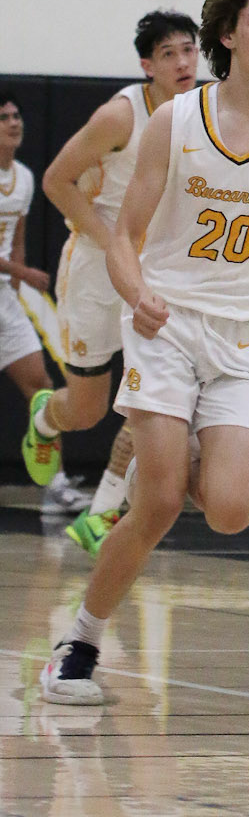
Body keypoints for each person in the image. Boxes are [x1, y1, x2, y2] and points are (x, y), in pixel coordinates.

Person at [40, 0, 249, 705]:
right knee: (158, 503)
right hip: (165, 320)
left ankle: (172, 449)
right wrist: (136, 293)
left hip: (244, 337)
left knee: (229, 512)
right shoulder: (176, 121)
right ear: (228, 33)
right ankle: (78, 645)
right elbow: (124, 233)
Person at [36, 10, 201, 555]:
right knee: (86, 410)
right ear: (147, 65)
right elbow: (56, 180)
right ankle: (45, 419)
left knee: (157, 394)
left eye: (189, 50)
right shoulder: (120, 116)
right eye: (169, 54)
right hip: (95, 266)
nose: (183, 62)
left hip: (156, 273)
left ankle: (102, 512)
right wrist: (114, 244)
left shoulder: (202, 116)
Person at [0, 91, 87, 516]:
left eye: (16, 115)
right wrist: (24, 273)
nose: (14, 123)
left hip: (4, 301)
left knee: (41, 387)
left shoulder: (25, 178)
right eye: (4, 118)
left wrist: (15, 286)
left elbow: (17, 238)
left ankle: (55, 485)